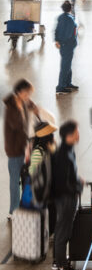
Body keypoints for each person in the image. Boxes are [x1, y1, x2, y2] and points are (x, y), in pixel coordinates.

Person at [52, 120, 83, 270]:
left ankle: (58, 260)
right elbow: (63, 182)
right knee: (63, 230)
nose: (79, 134)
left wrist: (77, 179)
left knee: (62, 229)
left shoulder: (68, 150)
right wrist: (77, 187)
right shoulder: (63, 155)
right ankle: (62, 268)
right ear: (69, 136)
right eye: (77, 132)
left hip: (66, 197)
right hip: (65, 198)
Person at [4, 79, 39, 218]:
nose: (28, 96)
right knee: (15, 181)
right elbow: (17, 126)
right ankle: (13, 211)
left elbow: (30, 104)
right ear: (19, 92)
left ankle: (22, 206)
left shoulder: (23, 101)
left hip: (22, 146)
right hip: (14, 150)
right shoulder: (11, 107)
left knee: (23, 178)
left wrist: (34, 107)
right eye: (27, 93)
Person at [54, 1, 79, 96]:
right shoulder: (70, 20)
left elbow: (56, 30)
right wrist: (64, 43)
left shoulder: (61, 17)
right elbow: (69, 34)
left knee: (67, 65)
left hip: (63, 45)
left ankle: (67, 83)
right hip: (67, 46)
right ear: (71, 8)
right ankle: (60, 87)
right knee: (65, 66)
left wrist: (57, 40)